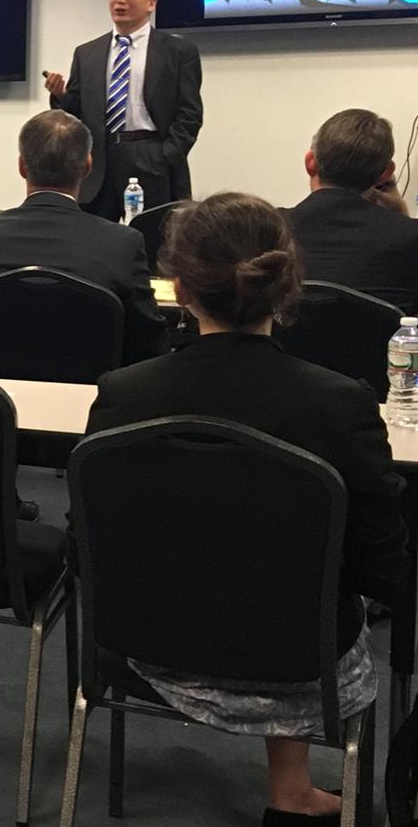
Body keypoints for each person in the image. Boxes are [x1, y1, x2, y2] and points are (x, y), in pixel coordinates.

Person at [85, 192, 410, 825]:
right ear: (287, 286)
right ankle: (290, 793)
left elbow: (89, 546)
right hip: (300, 660)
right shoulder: (341, 404)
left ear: (177, 287)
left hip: (145, 645)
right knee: (299, 575)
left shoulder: (121, 395)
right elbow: (383, 571)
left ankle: (290, 789)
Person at [0, 110, 168, 367]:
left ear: (21, 167)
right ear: (87, 166)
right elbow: (148, 345)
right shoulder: (123, 244)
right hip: (94, 397)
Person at [44, 0, 203, 222]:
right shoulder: (87, 53)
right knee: (96, 243)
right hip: (99, 162)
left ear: (151, 3)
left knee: (153, 243)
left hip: (150, 156)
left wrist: (164, 157)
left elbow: (190, 114)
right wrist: (61, 95)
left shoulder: (177, 51)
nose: (120, 0)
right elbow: (77, 113)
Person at [287, 108, 418, 313]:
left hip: (282, 346)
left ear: (310, 162)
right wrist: (402, 218)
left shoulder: (263, 230)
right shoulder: (410, 237)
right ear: (385, 173)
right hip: (380, 346)